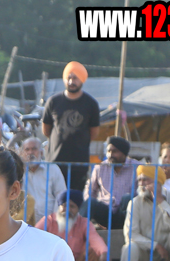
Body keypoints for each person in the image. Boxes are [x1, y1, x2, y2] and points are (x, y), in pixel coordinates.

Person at [42, 62, 101, 193]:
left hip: (79, 164)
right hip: (55, 161)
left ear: (82, 79)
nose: (71, 82)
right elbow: (46, 130)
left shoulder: (91, 104)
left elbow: (94, 132)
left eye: (75, 78)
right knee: (54, 198)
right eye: (68, 78)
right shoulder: (53, 101)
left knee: (75, 199)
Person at [34, 190, 108, 261]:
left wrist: (104, 252)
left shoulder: (83, 223)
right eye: (64, 206)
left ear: (78, 209)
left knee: (92, 250)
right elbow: (33, 236)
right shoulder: (49, 221)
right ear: (59, 207)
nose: (67, 210)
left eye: (72, 207)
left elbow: (94, 238)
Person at [84, 136, 141, 228]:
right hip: (106, 211)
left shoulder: (137, 167)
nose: (110, 155)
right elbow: (91, 190)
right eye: (108, 151)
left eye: (114, 151)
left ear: (124, 153)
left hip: (127, 214)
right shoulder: (100, 167)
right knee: (90, 202)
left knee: (127, 198)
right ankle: (78, 231)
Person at [20, 138, 67, 214]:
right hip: (25, 218)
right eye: (27, 149)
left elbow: (61, 195)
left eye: (34, 149)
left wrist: (54, 218)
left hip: (50, 218)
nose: (30, 152)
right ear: (22, 153)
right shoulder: (19, 171)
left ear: (41, 153)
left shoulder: (52, 169)